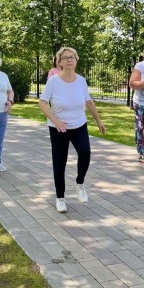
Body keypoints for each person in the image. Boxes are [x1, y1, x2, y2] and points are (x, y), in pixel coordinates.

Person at [39, 47, 106, 213]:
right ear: (59, 62)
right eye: (65, 57)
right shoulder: (53, 81)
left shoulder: (81, 80)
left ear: (76, 60)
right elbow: (42, 103)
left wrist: (98, 121)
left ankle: (79, 183)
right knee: (59, 162)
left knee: (85, 152)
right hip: (58, 127)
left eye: (72, 57)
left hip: (79, 124)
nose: (69, 60)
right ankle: (60, 198)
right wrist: (55, 120)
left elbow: (89, 102)